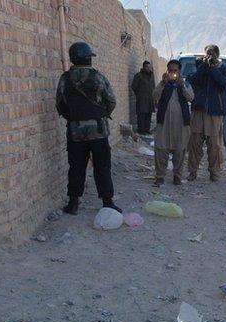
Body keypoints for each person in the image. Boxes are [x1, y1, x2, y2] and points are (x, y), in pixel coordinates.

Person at [56, 42, 120, 215]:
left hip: (75, 133)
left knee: (76, 167)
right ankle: (107, 202)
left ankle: (73, 203)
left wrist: (74, 117)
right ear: (88, 58)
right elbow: (111, 101)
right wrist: (100, 113)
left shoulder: (65, 78)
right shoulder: (97, 77)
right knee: (102, 167)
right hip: (98, 131)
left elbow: (60, 104)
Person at [186, 44, 226, 182]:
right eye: (207, 53)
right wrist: (204, 66)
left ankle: (214, 172)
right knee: (195, 143)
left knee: (214, 145)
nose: (209, 55)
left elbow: (223, 84)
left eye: (212, 53)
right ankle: (192, 171)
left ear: (217, 54)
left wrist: (213, 68)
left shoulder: (224, 69)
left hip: (215, 112)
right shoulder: (200, 66)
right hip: (199, 110)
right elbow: (193, 81)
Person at [152, 59, 194, 186]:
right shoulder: (163, 84)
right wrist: (163, 83)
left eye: (175, 71)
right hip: (164, 123)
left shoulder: (185, 84)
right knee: (161, 149)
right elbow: (154, 96)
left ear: (180, 71)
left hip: (181, 124)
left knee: (180, 150)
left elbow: (191, 98)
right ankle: (160, 176)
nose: (173, 73)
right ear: (167, 71)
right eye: (171, 71)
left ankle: (177, 176)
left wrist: (182, 86)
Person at [131, 61, 156, 135]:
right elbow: (133, 86)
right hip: (141, 99)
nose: (149, 69)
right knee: (141, 115)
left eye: (150, 67)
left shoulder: (151, 76)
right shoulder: (138, 76)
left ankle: (147, 130)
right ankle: (141, 131)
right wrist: (139, 95)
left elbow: (153, 86)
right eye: (147, 67)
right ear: (144, 67)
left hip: (150, 99)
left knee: (148, 115)